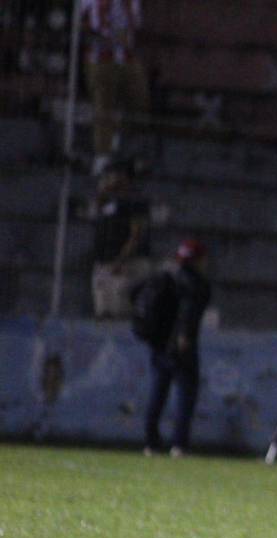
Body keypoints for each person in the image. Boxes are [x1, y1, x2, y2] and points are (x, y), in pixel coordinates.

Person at [143, 239, 211, 458]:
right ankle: (179, 444)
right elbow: (189, 313)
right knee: (185, 395)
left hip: (159, 343)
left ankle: (151, 442)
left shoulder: (165, 277)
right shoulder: (196, 283)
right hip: (181, 346)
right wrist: (184, 336)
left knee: (157, 392)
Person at [81, 0, 150, 174]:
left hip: (127, 57)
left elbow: (136, 24)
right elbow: (93, 24)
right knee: (104, 105)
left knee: (139, 99)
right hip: (101, 57)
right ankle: (103, 155)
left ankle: (129, 149)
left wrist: (127, 12)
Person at [90, 161, 151, 318]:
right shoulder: (108, 203)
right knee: (102, 313)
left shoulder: (135, 201)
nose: (108, 179)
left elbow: (136, 234)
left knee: (119, 313)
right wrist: (102, 192)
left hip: (125, 264)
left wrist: (121, 260)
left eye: (112, 175)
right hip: (104, 263)